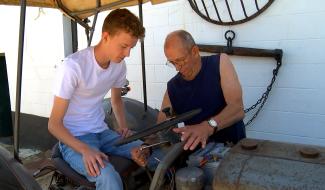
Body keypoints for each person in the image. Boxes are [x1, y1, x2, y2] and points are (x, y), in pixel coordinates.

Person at [48, 9, 149, 190]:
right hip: (75, 139)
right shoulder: (73, 67)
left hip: (103, 132)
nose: (127, 54)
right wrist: (85, 149)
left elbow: (116, 100)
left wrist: (123, 128)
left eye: (131, 48)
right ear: (106, 36)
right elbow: (54, 124)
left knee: (145, 150)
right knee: (108, 177)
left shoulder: (118, 66)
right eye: (123, 46)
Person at [157, 30, 246, 151]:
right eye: (172, 62)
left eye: (180, 60)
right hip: (194, 156)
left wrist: (207, 127)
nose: (177, 68)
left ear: (194, 51)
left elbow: (237, 109)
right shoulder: (173, 86)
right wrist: (147, 146)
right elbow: (161, 126)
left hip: (230, 148)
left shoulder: (219, 63)